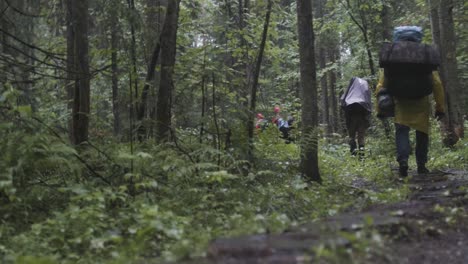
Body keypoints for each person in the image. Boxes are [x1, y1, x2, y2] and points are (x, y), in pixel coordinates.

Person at [376, 26, 445, 177]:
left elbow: (382, 85)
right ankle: (421, 165)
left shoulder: (393, 58)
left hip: (401, 102)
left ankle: (403, 162)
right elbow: (437, 84)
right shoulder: (424, 56)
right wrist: (440, 107)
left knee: (402, 132)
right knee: (422, 133)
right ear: (418, 37)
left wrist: (380, 108)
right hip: (421, 102)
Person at [340, 77, 372, 157]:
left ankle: (354, 155)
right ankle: (361, 156)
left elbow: (344, 106)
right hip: (360, 118)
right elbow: (368, 108)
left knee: (352, 137)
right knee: (360, 137)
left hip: (353, 119)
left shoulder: (350, 93)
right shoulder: (362, 93)